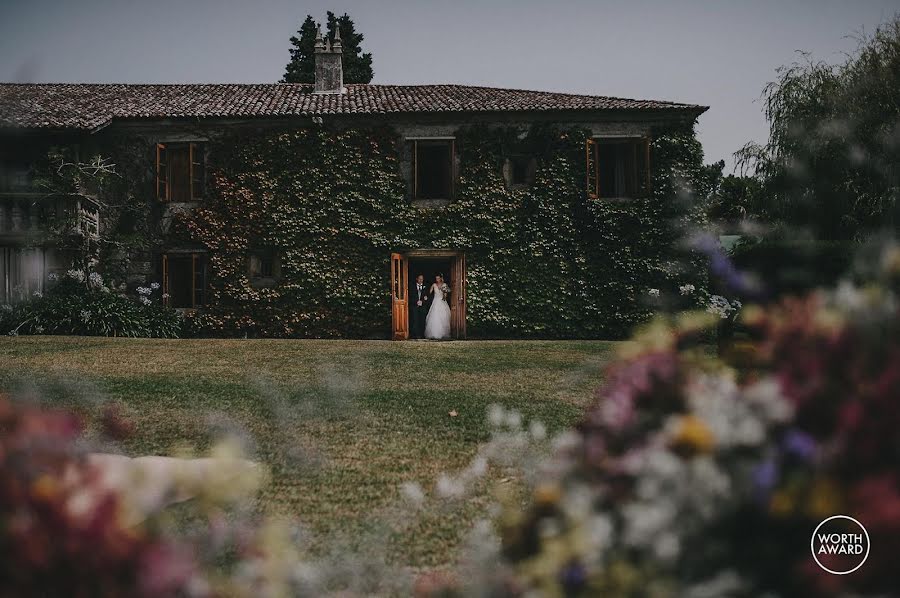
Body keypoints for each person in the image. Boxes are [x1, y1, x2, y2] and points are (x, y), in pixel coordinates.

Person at [424, 274, 451, 340]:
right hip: (435, 302)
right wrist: (425, 296)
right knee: (435, 316)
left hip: (442, 301)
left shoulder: (444, 285)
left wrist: (444, 294)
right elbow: (429, 293)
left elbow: (445, 295)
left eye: (438, 278)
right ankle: (434, 333)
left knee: (443, 317)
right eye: (436, 278)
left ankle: (443, 333)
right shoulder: (434, 285)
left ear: (441, 278)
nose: (437, 280)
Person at [411, 273, 430, 339]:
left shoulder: (426, 287)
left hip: (423, 306)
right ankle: (415, 335)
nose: (421, 280)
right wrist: (416, 302)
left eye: (422, 279)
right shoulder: (412, 287)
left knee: (422, 320)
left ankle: (422, 335)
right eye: (419, 279)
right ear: (417, 279)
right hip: (414, 306)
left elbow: (428, 297)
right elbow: (410, 296)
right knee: (415, 321)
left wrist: (423, 301)